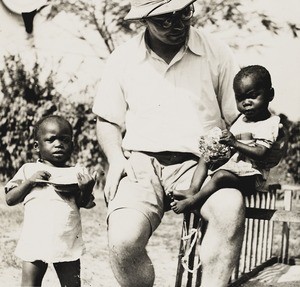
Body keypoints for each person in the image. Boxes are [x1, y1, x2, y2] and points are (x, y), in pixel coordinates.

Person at [92, 1, 244, 286]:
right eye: (164, 20)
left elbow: (238, 117)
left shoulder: (217, 51)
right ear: (143, 21)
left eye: (184, 13)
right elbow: (107, 119)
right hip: (140, 164)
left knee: (230, 208)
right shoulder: (123, 57)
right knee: (123, 240)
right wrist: (115, 159)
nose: (177, 25)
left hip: (200, 164)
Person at [171, 65, 281, 215]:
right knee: (206, 156)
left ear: (270, 95)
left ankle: (194, 200)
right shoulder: (242, 120)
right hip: (235, 168)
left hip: (251, 178)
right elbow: (231, 145)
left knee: (221, 175)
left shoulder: (270, 124)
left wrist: (234, 143)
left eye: (253, 96)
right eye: (240, 98)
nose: (246, 102)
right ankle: (193, 189)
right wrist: (218, 146)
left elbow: (261, 152)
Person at [5, 115, 96, 287]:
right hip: (35, 239)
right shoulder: (29, 170)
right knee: (29, 284)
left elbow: (83, 203)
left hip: (67, 240)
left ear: (72, 145)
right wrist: (30, 182)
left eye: (64, 140)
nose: (58, 144)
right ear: (37, 146)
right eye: (51, 139)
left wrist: (86, 188)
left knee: (72, 285)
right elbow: (10, 199)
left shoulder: (77, 172)